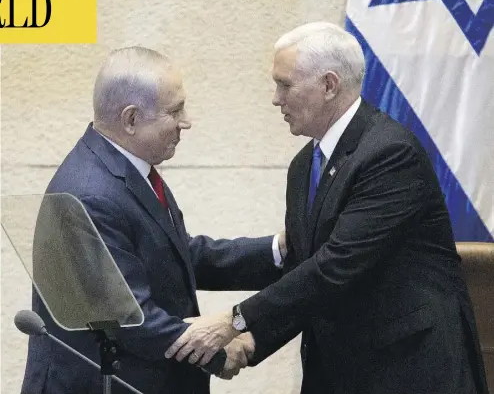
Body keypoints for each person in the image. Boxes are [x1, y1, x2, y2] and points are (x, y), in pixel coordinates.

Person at [165, 22, 489, 394]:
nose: (275, 98)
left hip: (409, 369)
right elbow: (306, 271)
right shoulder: (304, 166)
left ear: (329, 85)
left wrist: (234, 321)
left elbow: (335, 267)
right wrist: (253, 342)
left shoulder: (390, 154)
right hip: (340, 369)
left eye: (285, 84)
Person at [21, 46, 285, 394]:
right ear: (130, 119)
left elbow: (175, 256)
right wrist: (215, 349)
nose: (186, 121)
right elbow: (129, 318)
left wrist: (275, 251)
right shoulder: (90, 194)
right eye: (175, 111)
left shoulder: (128, 169)